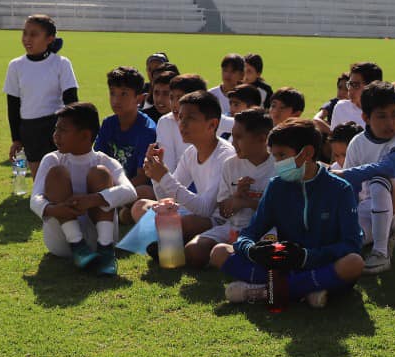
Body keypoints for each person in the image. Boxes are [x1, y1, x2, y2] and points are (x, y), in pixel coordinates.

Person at [219, 118, 364, 307]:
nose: (277, 163)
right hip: (283, 264)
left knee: (354, 263)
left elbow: (352, 243)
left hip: (322, 264)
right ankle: (306, 290)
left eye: (281, 155)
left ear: (308, 153)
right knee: (219, 252)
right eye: (274, 156)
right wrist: (253, 251)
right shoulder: (276, 186)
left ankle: (264, 292)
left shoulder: (340, 189)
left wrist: (305, 256)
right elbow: (249, 233)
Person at [29, 102, 135, 275]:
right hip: (63, 243)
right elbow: (35, 199)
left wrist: (93, 199)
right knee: (57, 173)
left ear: (85, 135)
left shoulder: (105, 161)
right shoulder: (52, 159)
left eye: (63, 130)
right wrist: (55, 210)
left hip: (99, 239)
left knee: (100, 174)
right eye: (56, 129)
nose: (56, 135)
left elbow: (130, 191)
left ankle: (106, 251)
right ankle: (77, 245)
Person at [338, 82, 395, 274]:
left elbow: (391, 168)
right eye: (382, 116)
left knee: (379, 179)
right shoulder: (357, 143)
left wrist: (345, 173)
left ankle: (381, 253)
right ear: (365, 117)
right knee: (347, 240)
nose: (391, 122)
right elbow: (348, 188)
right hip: (371, 207)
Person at [137, 89, 236, 242]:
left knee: (185, 224)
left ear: (212, 124)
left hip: (218, 220)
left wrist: (164, 176)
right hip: (196, 213)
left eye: (190, 118)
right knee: (141, 207)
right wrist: (155, 175)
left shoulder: (225, 155)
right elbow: (166, 199)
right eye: (181, 117)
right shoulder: (191, 152)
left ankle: (164, 240)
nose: (182, 124)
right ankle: (165, 239)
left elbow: (206, 209)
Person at [194, 107, 275, 269]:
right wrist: (236, 199)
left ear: (262, 139)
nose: (232, 142)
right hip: (233, 228)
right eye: (232, 136)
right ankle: (236, 258)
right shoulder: (230, 164)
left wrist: (249, 203)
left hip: (266, 232)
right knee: (194, 250)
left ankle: (233, 259)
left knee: (269, 249)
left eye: (239, 137)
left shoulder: (278, 165)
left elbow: (281, 214)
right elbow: (224, 213)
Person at [5, 14, 78, 176]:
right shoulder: (16, 66)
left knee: (61, 176)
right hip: (30, 129)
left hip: (56, 126)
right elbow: (13, 105)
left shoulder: (61, 63)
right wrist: (16, 139)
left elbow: (71, 101)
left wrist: (73, 131)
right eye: (25, 33)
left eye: (34, 34)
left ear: (50, 39)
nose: (27, 39)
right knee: (40, 182)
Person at [94, 66, 159, 201]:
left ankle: (109, 205)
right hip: (110, 185)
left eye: (124, 94)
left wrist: (116, 192)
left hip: (132, 186)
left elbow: (142, 176)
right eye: (112, 93)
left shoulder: (147, 130)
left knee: (145, 192)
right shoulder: (108, 124)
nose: (116, 100)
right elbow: (97, 160)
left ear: (139, 99)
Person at [331, 62, 380, 128]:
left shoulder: (385, 113)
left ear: (371, 86)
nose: (350, 89)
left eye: (355, 85)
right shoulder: (341, 108)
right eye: (350, 84)